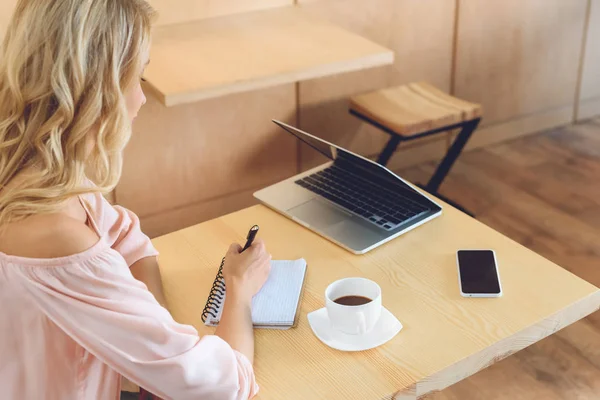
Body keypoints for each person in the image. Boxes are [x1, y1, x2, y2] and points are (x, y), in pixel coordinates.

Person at [0, 1, 272, 399]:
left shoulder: (35, 175)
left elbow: (123, 232)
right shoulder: (59, 239)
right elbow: (221, 386)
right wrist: (239, 289)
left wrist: (152, 331)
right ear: (97, 87)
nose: (141, 99)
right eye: (137, 77)